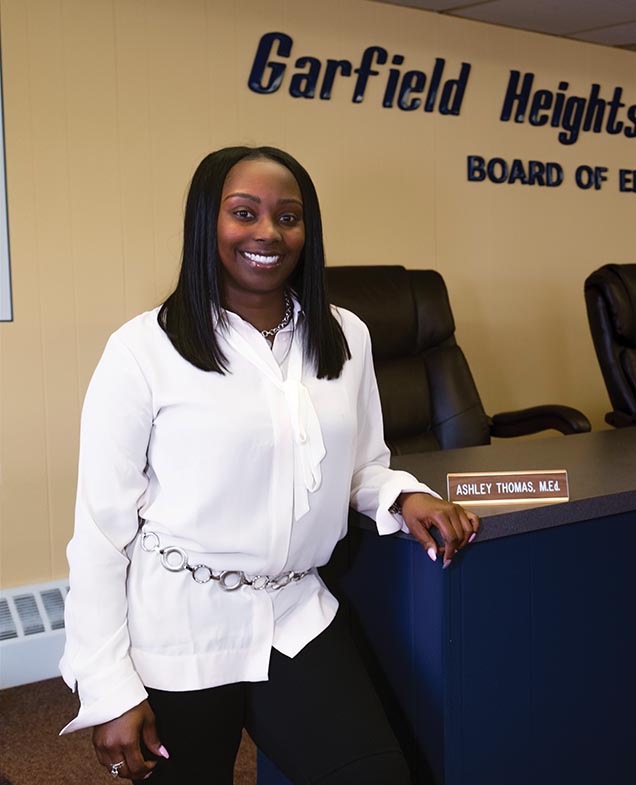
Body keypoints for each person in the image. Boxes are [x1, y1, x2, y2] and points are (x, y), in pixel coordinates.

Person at [59, 146, 480, 784]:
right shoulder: (143, 350)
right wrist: (109, 686)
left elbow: (363, 463)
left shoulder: (346, 335)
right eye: (243, 213)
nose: (268, 232)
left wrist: (402, 495)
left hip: (296, 615)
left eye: (288, 216)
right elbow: (99, 529)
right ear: (207, 222)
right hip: (179, 627)